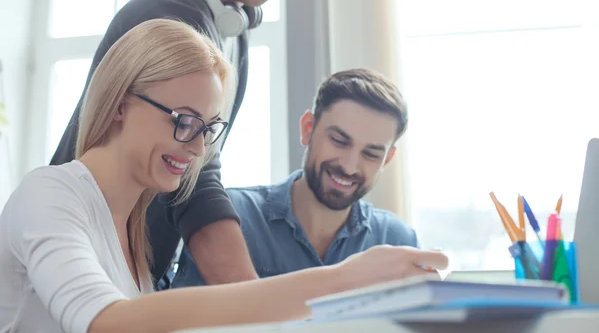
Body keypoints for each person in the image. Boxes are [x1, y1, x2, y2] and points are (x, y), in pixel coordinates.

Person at [0, 19, 448, 333]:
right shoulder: (49, 194)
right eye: (183, 120)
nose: (196, 147)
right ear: (120, 102)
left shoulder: (132, 234)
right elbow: (107, 323)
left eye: (209, 129)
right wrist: (345, 281)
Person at [50, 0, 307, 287]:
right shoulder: (173, 16)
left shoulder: (233, 24)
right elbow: (197, 178)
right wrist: (259, 308)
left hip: (133, 265)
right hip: (86, 249)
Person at [173, 68, 420, 286]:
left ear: (387, 159)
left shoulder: (397, 240)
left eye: (371, 154)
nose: (350, 166)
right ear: (307, 129)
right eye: (339, 141)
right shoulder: (230, 217)